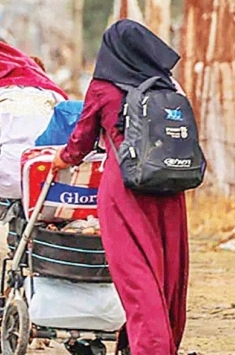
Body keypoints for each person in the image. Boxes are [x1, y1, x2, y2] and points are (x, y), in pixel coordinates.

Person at [52, 19, 189, 355]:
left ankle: (151, 349)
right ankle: (156, 343)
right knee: (168, 274)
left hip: (125, 192)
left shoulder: (103, 87)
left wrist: (61, 159)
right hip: (170, 190)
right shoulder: (167, 85)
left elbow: (80, 142)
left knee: (136, 278)